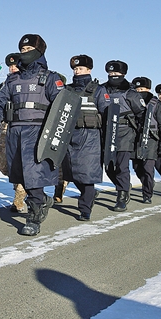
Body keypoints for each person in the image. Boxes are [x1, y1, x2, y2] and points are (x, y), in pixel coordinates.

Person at [0, 34, 65, 236]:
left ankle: (34, 217)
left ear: (40, 52)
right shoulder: (13, 79)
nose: (25, 53)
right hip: (15, 131)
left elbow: (62, 106)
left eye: (29, 50)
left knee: (33, 175)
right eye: (23, 50)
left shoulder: (50, 78)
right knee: (19, 175)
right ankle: (42, 200)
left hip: (38, 131)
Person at [60, 55, 110, 221]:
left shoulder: (98, 90)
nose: (77, 71)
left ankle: (85, 209)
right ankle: (90, 195)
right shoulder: (67, 89)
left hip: (91, 136)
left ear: (89, 69)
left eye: (80, 68)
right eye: (75, 69)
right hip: (70, 135)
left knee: (87, 174)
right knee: (72, 172)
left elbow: (108, 114)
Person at [99, 60, 146, 212]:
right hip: (107, 132)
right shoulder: (102, 89)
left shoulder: (130, 93)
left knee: (121, 166)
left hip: (125, 132)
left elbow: (142, 114)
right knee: (108, 167)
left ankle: (122, 196)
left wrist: (140, 136)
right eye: (110, 73)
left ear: (123, 74)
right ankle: (124, 186)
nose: (113, 75)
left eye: (116, 73)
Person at [0, 53, 27, 213]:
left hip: (21, 129)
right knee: (4, 165)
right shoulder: (2, 86)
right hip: (4, 130)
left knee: (21, 164)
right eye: (10, 66)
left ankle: (20, 196)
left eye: (15, 65)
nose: (12, 68)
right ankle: (22, 189)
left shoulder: (26, 84)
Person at [130, 77, 161, 204]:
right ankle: (148, 183)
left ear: (148, 89)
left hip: (151, 139)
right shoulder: (131, 101)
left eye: (142, 89)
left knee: (148, 167)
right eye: (137, 89)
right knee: (137, 167)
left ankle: (147, 194)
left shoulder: (155, 104)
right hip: (136, 138)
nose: (139, 91)